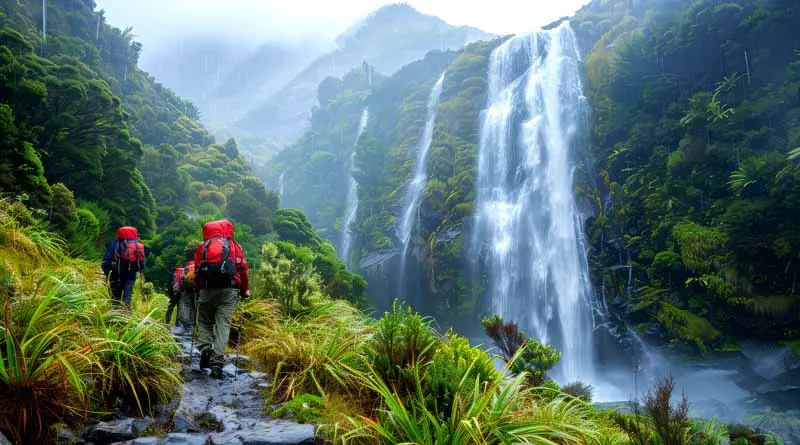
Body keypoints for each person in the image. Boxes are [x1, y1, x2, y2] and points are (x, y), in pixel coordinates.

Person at [194, 219, 249, 379]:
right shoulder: (234, 247)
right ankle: (217, 361)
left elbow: (197, 271)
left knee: (204, 322)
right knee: (223, 325)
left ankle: (205, 349)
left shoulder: (202, 248)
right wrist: (244, 290)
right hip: (229, 291)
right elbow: (243, 270)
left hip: (206, 290)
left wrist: (199, 290)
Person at [102, 226, 146, 306]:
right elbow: (142, 263)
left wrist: (106, 273)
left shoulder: (115, 244)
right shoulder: (138, 246)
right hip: (130, 276)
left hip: (116, 275)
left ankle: (113, 314)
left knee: (115, 297)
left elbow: (106, 261)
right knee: (127, 297)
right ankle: (125, 314)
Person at [177, 260, 197, 332]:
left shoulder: (187, 268)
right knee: (195, 307)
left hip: (187, 290)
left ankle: (186, 325)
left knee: (187, 306)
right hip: (196, 290)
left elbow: (182, 278)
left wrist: (182, 289)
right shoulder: (197, 266)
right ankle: (193, 326)